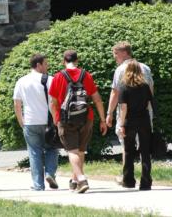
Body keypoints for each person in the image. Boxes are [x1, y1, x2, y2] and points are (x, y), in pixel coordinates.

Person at [49, 50, 107, 194]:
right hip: (86, 117)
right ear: (77, 60)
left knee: (72, 151)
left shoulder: (58, 76)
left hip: (66, 118)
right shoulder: (85, 75)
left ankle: (81, 178)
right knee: (81, 150)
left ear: (64, 61)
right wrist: (103, 120)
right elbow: (97, 99)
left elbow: (53, 102)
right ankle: (75, 181)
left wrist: (56, 119)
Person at [106, 41, 154, 185]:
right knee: (145, 148)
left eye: (116, 53)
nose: (114, 57)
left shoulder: (120, 70)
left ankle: (128, 178)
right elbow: (151, 91)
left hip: (126, 115)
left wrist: (109, 113)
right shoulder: (145, 67)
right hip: (145, 113)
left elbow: (115, 93)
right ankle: (146, 179)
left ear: (124, 53)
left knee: (127, 147)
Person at [13, 54, 59, 191]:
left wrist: (21, 121)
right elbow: (54, 102)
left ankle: (38, 185)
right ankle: (50, 173)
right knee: (52, 148)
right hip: (48, 121)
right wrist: (56, 120)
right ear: (38, 65)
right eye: (45, 64)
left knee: (34, 152)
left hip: (30, 121)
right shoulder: (51, 80)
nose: (47, 66)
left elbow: (17, 104)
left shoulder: (22, 81)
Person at [117, 59, 153, 190]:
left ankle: (129, 180)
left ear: (127, 71)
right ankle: (146, 181)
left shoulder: (123, 86)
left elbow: (123, 108)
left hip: (129, 121)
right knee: (145, 151)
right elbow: (149, 104)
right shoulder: (145, 86)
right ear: (139, 70)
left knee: (128, 151)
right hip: (144, 120)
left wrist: (121, 124)